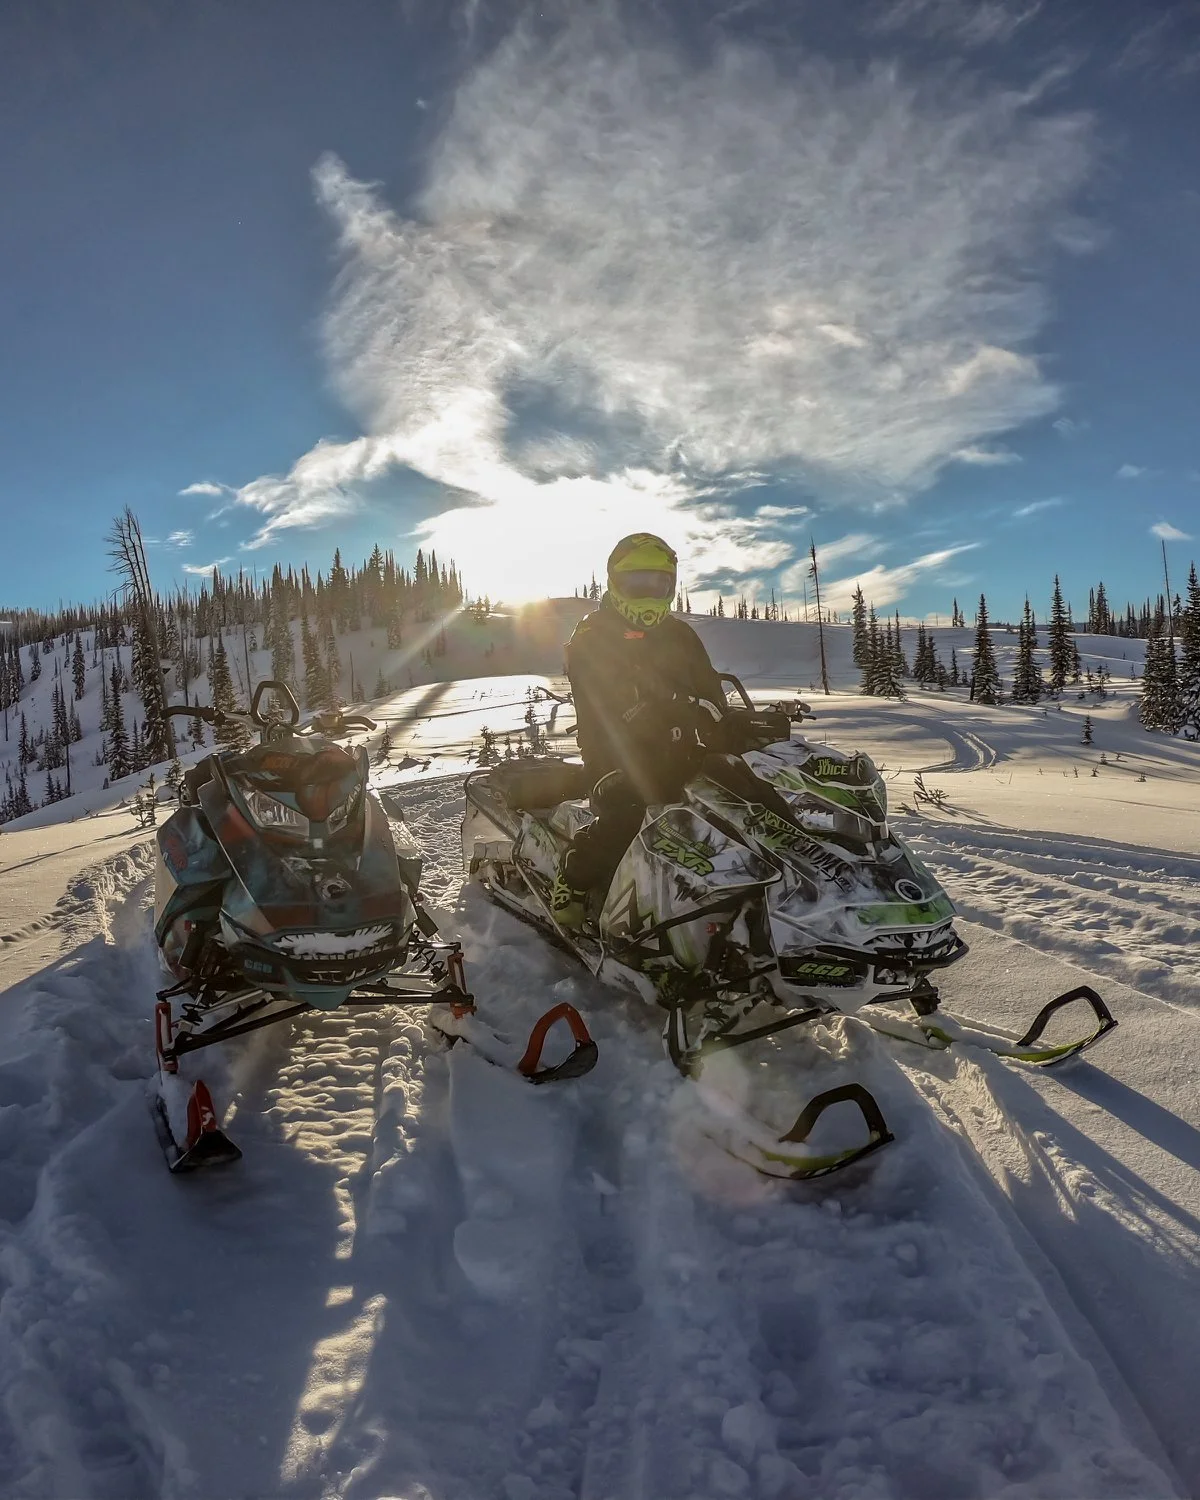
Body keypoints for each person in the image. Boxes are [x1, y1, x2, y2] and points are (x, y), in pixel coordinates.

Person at [550, 533, 728, 930]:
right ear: (616, 582)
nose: (648, 592)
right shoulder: (593, 635)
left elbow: (711, 691)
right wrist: (665, 705)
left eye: (658, 583)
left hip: (683, 751)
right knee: (637, 812)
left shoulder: (681, 635)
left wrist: (729, 723)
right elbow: (602, 700)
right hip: (615, 754)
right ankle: (574, 876)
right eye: (637, 583)